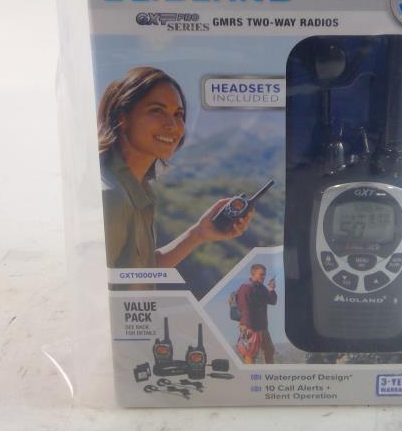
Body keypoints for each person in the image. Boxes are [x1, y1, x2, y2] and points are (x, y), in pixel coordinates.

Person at [97, 66, 254, 270]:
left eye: (178, 114)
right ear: (122, 117)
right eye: (156, 110)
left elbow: (141, 271)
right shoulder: (111, 197)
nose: (172, 124)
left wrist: (198, 233)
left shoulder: (137, 189)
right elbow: (104, 284)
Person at [235, 263, 277, 364]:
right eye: (261, 274)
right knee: (250, 353)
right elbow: (244, 306)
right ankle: (250, 373)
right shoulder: (245, 287)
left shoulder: (262, 288)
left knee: (269, 350)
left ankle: (269, 372)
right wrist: (246, 325)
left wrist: (271, 289)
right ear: (253, 274)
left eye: (264, 274)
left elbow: (272, 301)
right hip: (250, 327)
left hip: (262, 327)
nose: (264, 277)